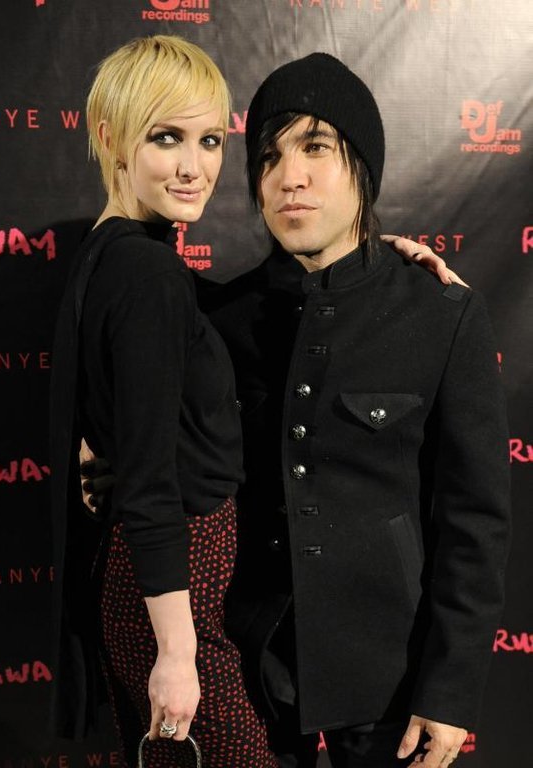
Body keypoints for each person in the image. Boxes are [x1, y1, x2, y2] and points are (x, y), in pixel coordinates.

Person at [77, 48, 506, 768]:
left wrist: (451, 689)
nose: (289, 177)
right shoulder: (216, 318)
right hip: (245, 667)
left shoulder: (442, 315)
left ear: (363, 166)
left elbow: (475, 523)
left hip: (389, 678)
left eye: (315, 148)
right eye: (269, 157)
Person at [49, 35, 279, 768]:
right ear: (111, 139)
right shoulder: (147, 274)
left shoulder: (112, 253)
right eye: (166, 137)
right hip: (172, 601)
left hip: (149, 589)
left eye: (209, 140)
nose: (194, 166)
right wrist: (178, 654)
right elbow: (151, 482)